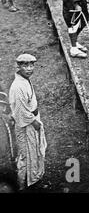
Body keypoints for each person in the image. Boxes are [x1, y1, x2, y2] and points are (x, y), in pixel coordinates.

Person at [8, 54, 47, 191]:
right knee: (25, 155)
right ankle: (21, 185)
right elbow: (20, 111)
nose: (29, 69)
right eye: (25, 65)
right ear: (18, 66)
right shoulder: (18, 86)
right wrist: (34, 122)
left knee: (34, 150)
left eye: (31, 65)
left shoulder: (24, 80)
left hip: (31, 118)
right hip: (26, 124)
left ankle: (33, 177)